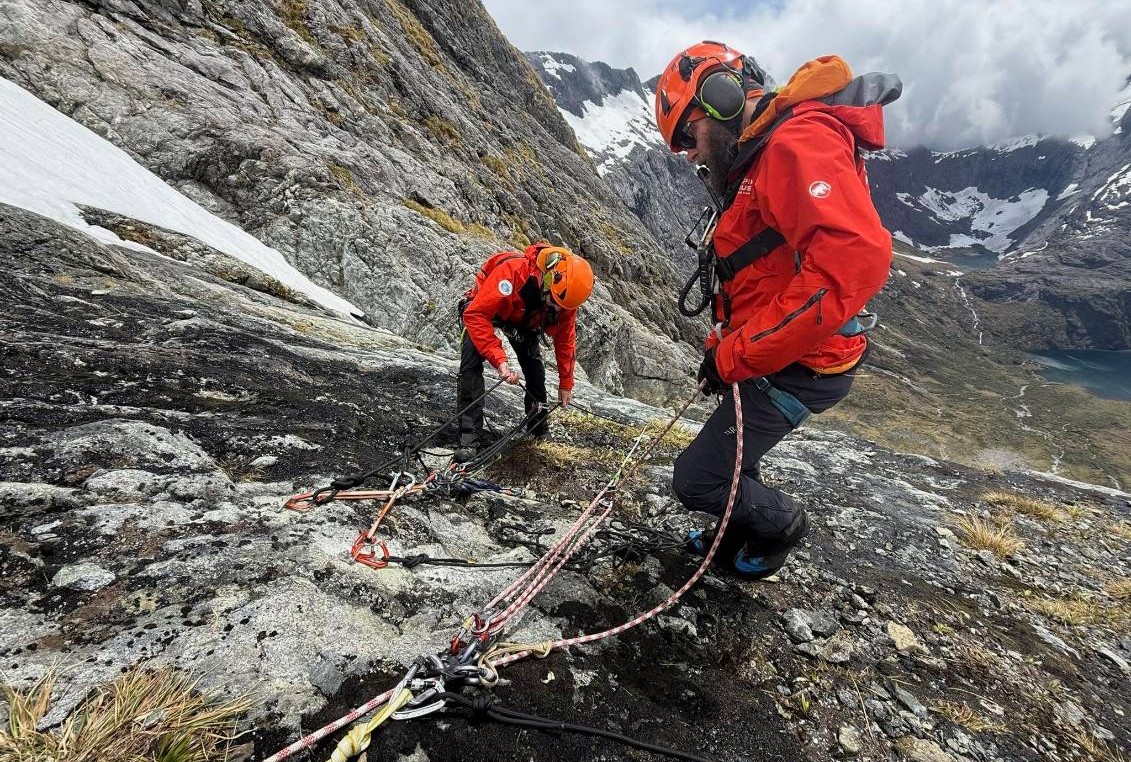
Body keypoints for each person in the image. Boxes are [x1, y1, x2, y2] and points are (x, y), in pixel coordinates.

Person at [653, 41, 900, 578]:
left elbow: (851, 261)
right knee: (738, 460)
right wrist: (727, 348)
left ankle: (782, 525)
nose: (688, 154)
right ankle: (732, 539)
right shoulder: (762, 154)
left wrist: (736, 355)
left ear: (720, 99)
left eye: (687, 136)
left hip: (805, 366)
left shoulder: (795, 143)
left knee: (698, 479)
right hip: (779, 355)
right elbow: (771, 274)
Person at [453, 242, 595, 463]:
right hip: (486, 310)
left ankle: (538, 427)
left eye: (562, 307)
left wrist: (566, 382)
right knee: (470, 365)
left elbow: (565, 341)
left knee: (535, 371)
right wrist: (500, 361)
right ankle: (468, 437)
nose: (557, 310)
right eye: (554, 303)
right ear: (548, 280)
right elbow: (476, 315)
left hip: (523, 319)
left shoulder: (565, 299)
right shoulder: (512, 272)